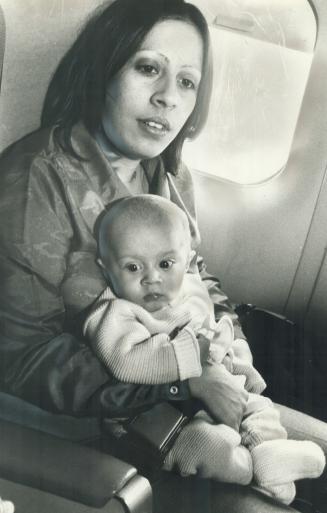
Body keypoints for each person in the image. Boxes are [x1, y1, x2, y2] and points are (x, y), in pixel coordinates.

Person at [0, 0, 326, 511]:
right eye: (149, 68)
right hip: (86, 426)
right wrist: (179, 386)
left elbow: (197, 276)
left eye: (187, 82)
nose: (167, 99)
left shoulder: (168, 176)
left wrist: (229, 340)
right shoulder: (34, 181)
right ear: (105, 69)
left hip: (194, 378)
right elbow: (20, 358)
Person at [83, 194, 325, 505]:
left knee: (261, 411)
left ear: (187, 260)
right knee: (209, 446)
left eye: (166, 264)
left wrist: (235, 360)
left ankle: (271, 456)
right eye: (132, 267)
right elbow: (127, 360)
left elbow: (211, 327)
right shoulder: (116, 313)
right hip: (160, 417)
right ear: (107, 270)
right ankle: (255, 471)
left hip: (213, 387)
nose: (151, 278)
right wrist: (193, 359)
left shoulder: (189, 288)